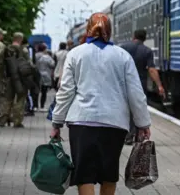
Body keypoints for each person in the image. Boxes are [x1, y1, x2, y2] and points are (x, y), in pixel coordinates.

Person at [51, 13, 151, 195]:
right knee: (109, 173)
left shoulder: (75, 54)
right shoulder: (123, 56)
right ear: (110, 31)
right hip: (114, 124)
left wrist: (57, 122)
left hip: (81, 122)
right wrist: (143, 123)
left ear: (89, 29)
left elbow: (65, 92)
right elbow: (136, 93)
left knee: (84, 175)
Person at [120, 29, 165, 144]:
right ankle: (135, 134)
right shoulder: (147, 51)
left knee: (124, 108)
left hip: (123, 83)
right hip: (139, 84)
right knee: (137, 108)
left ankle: (126, 134)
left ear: (133, 36)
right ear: (144, 38)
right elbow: (151, 69)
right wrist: (159, 85)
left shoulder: (123, 48)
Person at [2, 32, 28, 127]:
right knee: (20, 99)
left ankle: (3, 120)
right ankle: (17, 121)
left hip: (9, 77)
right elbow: (27, 64)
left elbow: (2, 64)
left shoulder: (6, 49)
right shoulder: (23, 50)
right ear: (20, 39)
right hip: (20, 79)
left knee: (8, 98)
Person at [35, 43, 55, 111]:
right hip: (45, 76)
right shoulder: (46, 57)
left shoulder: (34, 55)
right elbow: (52, 64)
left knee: (35, 91)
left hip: (35, 75)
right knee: (44, 92)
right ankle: (42, 106)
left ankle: (35, 106)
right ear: (44, 49)